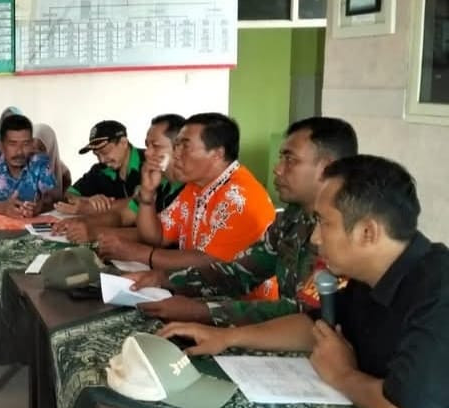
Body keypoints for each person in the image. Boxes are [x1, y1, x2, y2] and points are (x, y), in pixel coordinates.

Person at [158, 155, 449, 408]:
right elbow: (314, 327)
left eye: (324, 223)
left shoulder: (438, 292)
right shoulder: (375, 275)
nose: (314, 238)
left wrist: (343, 375)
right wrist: (228, 337)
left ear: (367, 231)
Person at [129, 117, 359, 325]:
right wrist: (164, 279)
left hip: (305, 341)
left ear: (326, 167)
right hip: (269, 326)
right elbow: (241, 272)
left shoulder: (348, 231)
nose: (277, 169)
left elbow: (305, 313)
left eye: (290, 160)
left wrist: (204, 312)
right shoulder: (292, 218)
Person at [97, 113, 277, 301]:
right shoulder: (196, 187)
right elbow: (157, 236)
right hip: (204, 296)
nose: (175, 154)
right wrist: (148, 196)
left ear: (217, 154)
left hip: (245, 307)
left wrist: (138, 253)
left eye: (185, 147)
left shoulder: (238, 196)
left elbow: (208, 262)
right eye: (176, 146)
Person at [54, 114, 186, 244]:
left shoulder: (186, 187)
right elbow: (123, 215)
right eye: (147, 146)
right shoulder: (158, 179)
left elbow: (158, 236)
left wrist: (95, 232)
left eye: (156, 146)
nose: (147, 152)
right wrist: (83, 221)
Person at [0, 114, 57, 219]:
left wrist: (39, 208)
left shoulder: (39, 163)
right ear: (1, 146)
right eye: (12, 144)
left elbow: (52, 197)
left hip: (29, 225)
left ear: (32, 144)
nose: (19, 152)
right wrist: (2, 208)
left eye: (25, 144)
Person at [59, 120, 142, 215]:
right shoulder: (99, 171)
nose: (102, 160)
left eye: (105, 152)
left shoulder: (151, 161)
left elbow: (144, 202)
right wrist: (88, 200)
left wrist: (91, 208)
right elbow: (68, 195)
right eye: (97, 155)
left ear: (123, 142)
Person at [32, 123, 71, 194]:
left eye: (40, 149)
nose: (35, 153)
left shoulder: (63, 174)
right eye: (32, 148)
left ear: (51, 149)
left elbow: (66, 197)